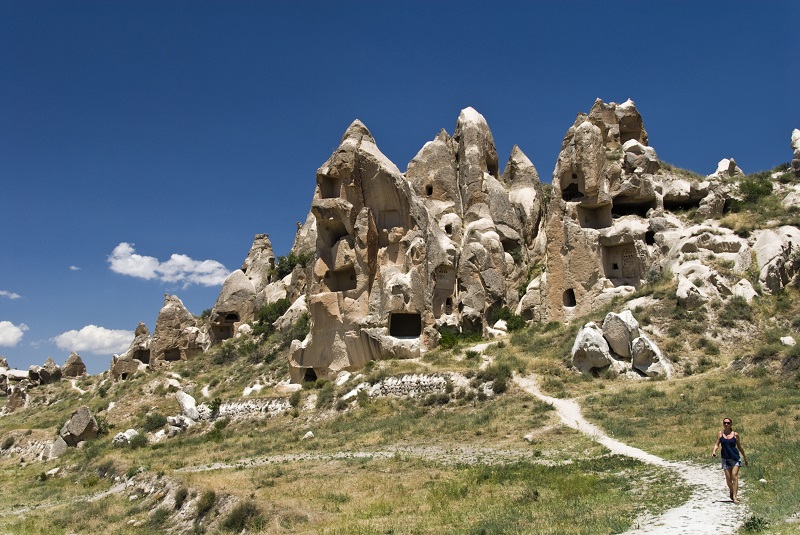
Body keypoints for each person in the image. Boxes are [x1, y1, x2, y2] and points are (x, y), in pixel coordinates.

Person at [711, 418, 748, 503]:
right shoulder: (720, 434)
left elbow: (739, 447)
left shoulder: (735, 434)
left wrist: (745, 457)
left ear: (731, 424)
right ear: (723, 424)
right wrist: (714, 451)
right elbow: (717, 444)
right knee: (728, 478)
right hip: (725, 458)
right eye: (725, 423)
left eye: (728, 423)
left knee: (734, 476)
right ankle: (731, 490)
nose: (726, 424)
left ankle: (735, 497)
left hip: (735, 458)